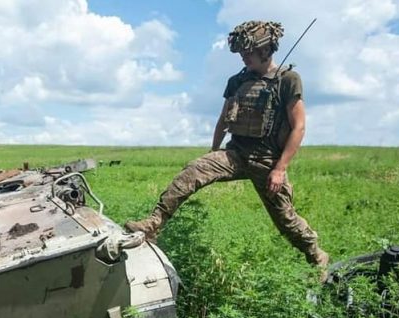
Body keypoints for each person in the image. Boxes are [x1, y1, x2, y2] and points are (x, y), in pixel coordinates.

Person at [125, 20, 329, 271]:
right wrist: (212, 154)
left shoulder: (287, 80)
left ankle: (317, 256)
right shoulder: (236, 81)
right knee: (192, 171)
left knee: (285, 219)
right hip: (236, 153)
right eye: (241, 53)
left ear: (265, 51)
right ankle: (153, 224)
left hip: (267, 160)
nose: (243, 58)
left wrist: (280, 168)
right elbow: (223, 119)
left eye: (248, 52)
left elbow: (298, 127)